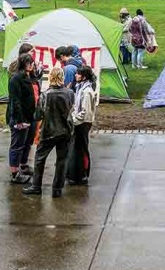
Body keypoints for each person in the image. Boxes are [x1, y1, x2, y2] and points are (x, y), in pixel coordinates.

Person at [23, 64, 74, 198]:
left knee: (40, 158)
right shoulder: (70, 93)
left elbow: (38, 115)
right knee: (62, 160)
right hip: (65, 130)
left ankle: (36, 186)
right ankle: (57, 188)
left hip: (48, 131)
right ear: (62, 77)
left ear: (50, 77)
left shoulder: (45, 95)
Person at [6, 52, 38, 184]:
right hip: (21, 118)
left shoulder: (30, 77)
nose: (31, 65)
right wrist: (19, 121)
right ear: (23, 64)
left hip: (31, 116)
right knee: (17, 145)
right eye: (29, 63)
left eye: (32, 63)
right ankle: (14, 173)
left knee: (28, 142)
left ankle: (23, 165)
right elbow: (15, 101)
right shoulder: (16, 79)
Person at [67, 65, 98, 186]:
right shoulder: (81, 88)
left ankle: (82, 174)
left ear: (84, 77)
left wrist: (74, 120)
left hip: (83, 124)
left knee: (82, 149)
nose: (76, 75)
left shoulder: (87, 92)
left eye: (78, 74)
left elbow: (85, 112)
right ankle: (76, 173)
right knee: (76, 149)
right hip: (79, 122)